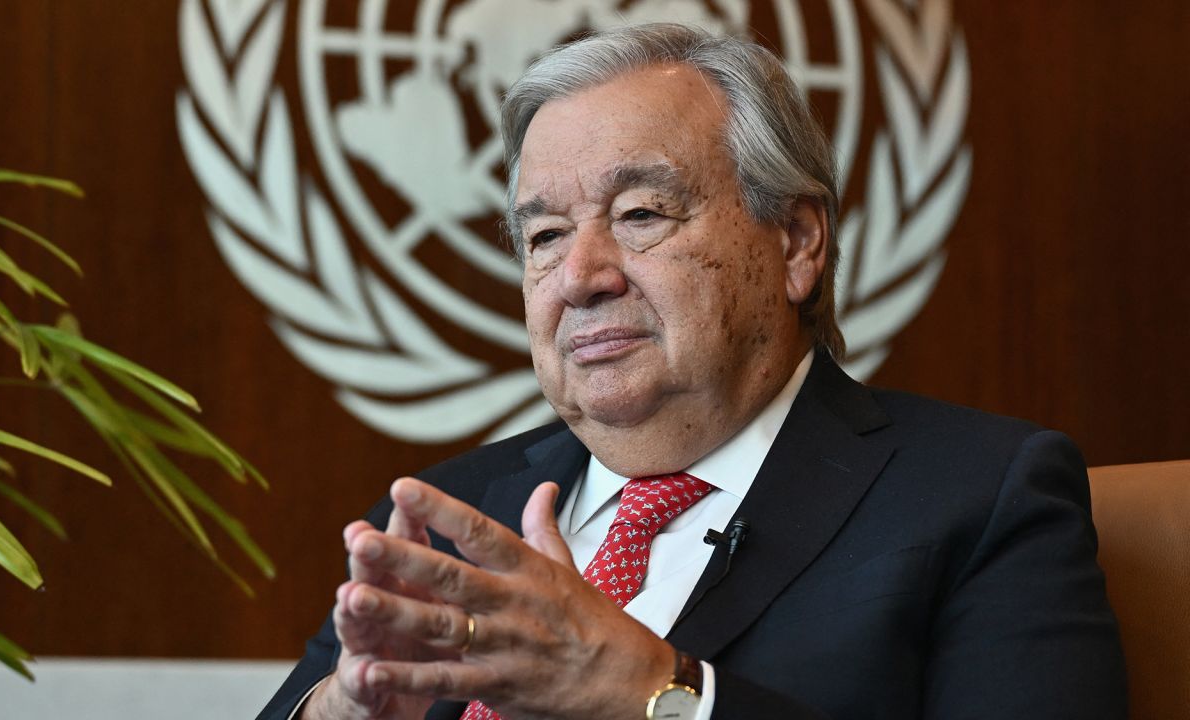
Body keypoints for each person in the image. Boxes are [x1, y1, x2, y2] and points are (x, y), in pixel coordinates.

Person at [259, 23, 1125, 720]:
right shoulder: (446, 517)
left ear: (796, 243)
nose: (581, 277)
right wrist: (345, 711)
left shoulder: (979, 498)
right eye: (545, 236)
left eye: (641, 213)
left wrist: (656, 695)